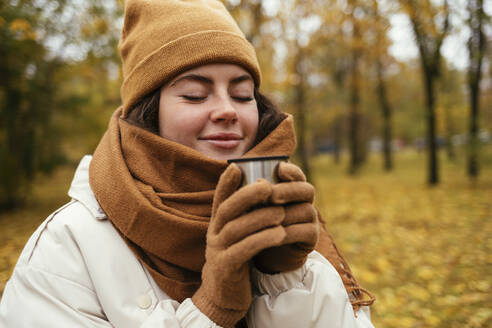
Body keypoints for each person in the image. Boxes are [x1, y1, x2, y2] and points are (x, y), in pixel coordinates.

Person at [0, 0, 375, 327]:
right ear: (149, 114)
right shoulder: (67, 246)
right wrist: (212, 308)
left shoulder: (282, 211)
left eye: (243, 94)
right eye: (195, 95)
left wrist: (286, 280)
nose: (228, 109)